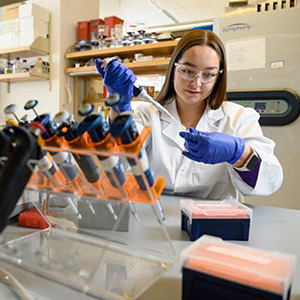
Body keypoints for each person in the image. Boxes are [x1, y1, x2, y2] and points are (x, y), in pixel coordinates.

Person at [95, 29, 283, 200]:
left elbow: (270, 180)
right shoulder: (146, 114)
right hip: (152, 219)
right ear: (173, 69)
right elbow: (116, 162)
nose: (196, 83)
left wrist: (239, 153)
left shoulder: (238, 119)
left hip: (212, 224)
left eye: (208, 74)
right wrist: (119, 106)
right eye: (187, 71)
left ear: (218, 77)